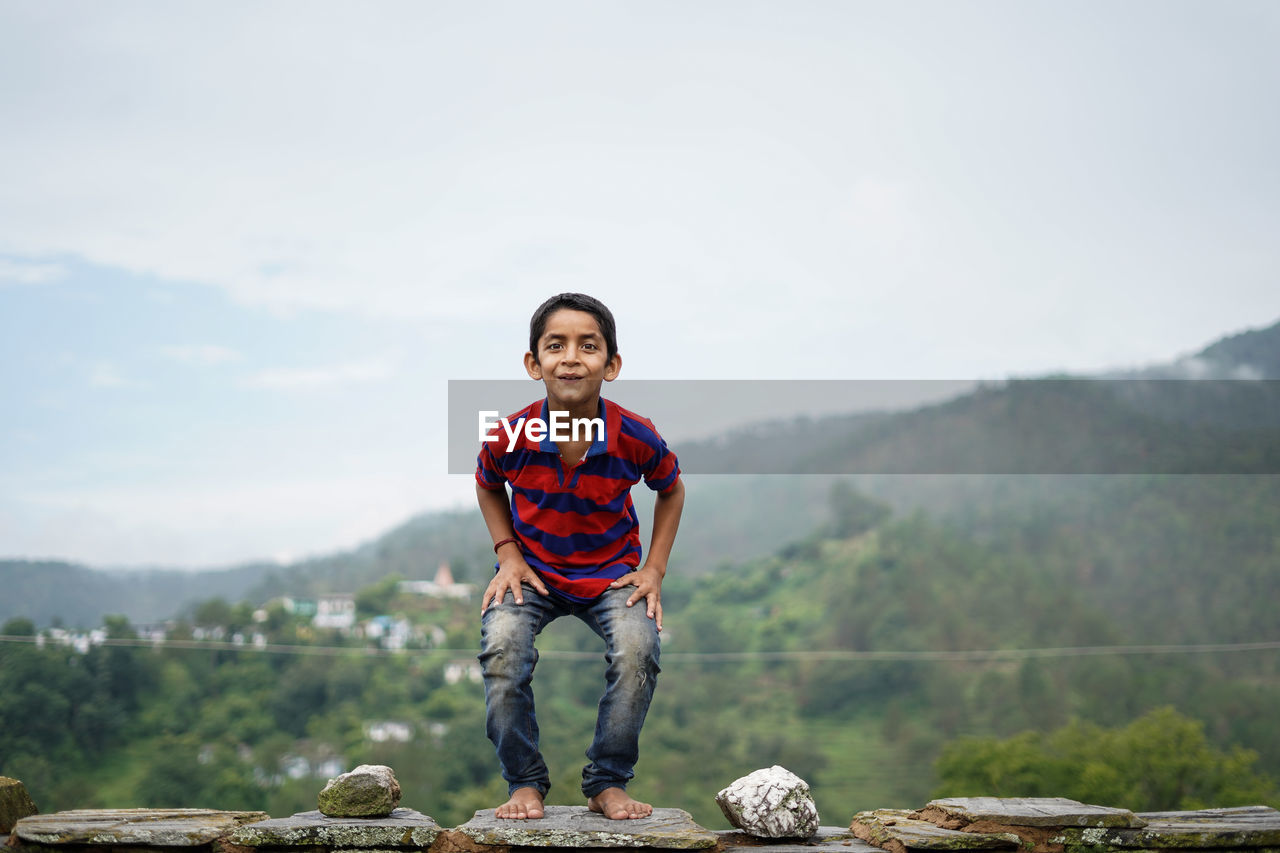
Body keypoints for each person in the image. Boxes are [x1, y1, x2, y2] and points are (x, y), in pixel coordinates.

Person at [474, 293, 685, 821]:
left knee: (639, 649)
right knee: (502, 648)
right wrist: (507, 554)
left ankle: (606, 781)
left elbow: (672, 489)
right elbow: (487, 484)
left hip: (614, 576)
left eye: (588, 346)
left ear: (610, 365)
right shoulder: (510, 435)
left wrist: (654, 570)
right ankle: (523, 782)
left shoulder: (634, 435)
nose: (571, 356)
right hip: (534, 574)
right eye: (555, 345)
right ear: (533, 363)